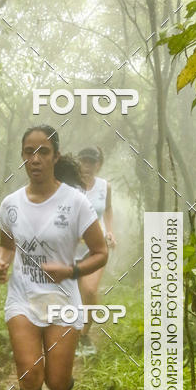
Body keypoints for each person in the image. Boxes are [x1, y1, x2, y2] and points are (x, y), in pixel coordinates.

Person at [0, 126, 108, 390]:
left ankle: (65, 389)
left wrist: (71, 270)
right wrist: (2, 263)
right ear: (23, 157)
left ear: (56, 156)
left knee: (56, 381)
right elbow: (7, 244)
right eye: (29, 152)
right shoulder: (11, 204)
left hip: (62, 301)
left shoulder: (76, 203)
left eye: (43, 152)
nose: (36, 159)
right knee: (30, 376)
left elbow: (100, 252)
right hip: (23, 299)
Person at [73, 146, 116, 355]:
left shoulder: (104, 186)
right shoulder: (69, 185)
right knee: (73, 292)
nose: (87, 166)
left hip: (96, 247)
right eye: (84, 161)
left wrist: (110, 232)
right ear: (78, 162)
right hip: (70, 248)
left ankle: (84, 336)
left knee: (89, 290)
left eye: (91, 162)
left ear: (98, 164)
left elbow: (107, 210)